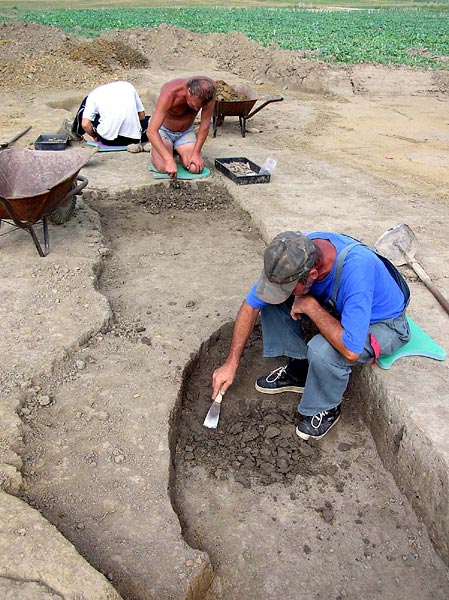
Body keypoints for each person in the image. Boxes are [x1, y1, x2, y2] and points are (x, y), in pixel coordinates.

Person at [212, 231, 411, 441]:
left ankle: (327, 407)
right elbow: (251, 305)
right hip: (344, 309)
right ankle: (299, 371)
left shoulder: (357, 269)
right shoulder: (293, 253)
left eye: (289, 287)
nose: (284, 291)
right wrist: (231, 362)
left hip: (382, 323)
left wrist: (311, 306)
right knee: (270, 300)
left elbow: (351, 351)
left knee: (322, 350)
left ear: (313, 275)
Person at [146, 77, 216, 179]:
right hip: (164, 131)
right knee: (163, 168)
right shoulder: (170, 93)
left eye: (199, 107)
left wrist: (196, 153)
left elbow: (205, 124)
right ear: (189, 92)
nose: (196, 109)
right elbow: (151, 131)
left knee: (195, 168)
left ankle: (177, 151)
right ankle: (157, 148)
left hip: (185, 132)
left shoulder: (209, 91)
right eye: (193, 105)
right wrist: (168, 160)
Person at [62, 81, 150, 149]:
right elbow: (142, 116)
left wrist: (95, 137)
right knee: (150, 119)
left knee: (90, 114)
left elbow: (85, 124)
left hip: (108, 140)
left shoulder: (93, 95)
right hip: (134, 139)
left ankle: (75, 130)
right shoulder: (129, 86)